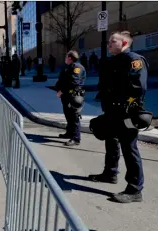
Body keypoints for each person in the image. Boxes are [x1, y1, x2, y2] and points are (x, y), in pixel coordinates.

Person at [88, 31, 148, 203]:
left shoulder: (134, 61)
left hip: (127, 113)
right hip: (112, 112)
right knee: (111, 141)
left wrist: (125, 108)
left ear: (124, 43)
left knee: (129, 149)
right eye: (109, 42)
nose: (109, 44)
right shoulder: (110, 61)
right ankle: (110, 173)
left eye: (113, 41)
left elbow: (138, 89)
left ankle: (135, 189)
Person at [55, 50, 86, 146]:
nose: (65, 59)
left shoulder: (77, 67)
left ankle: (76, 138)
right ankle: (69, 133)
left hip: (73, 96)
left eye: (66, 57)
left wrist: (62, 91)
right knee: (68, 115)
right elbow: (63, 80)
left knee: (74, 117)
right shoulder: (69, 67)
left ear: (70, 58)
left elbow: (74, 82)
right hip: (67, 96)